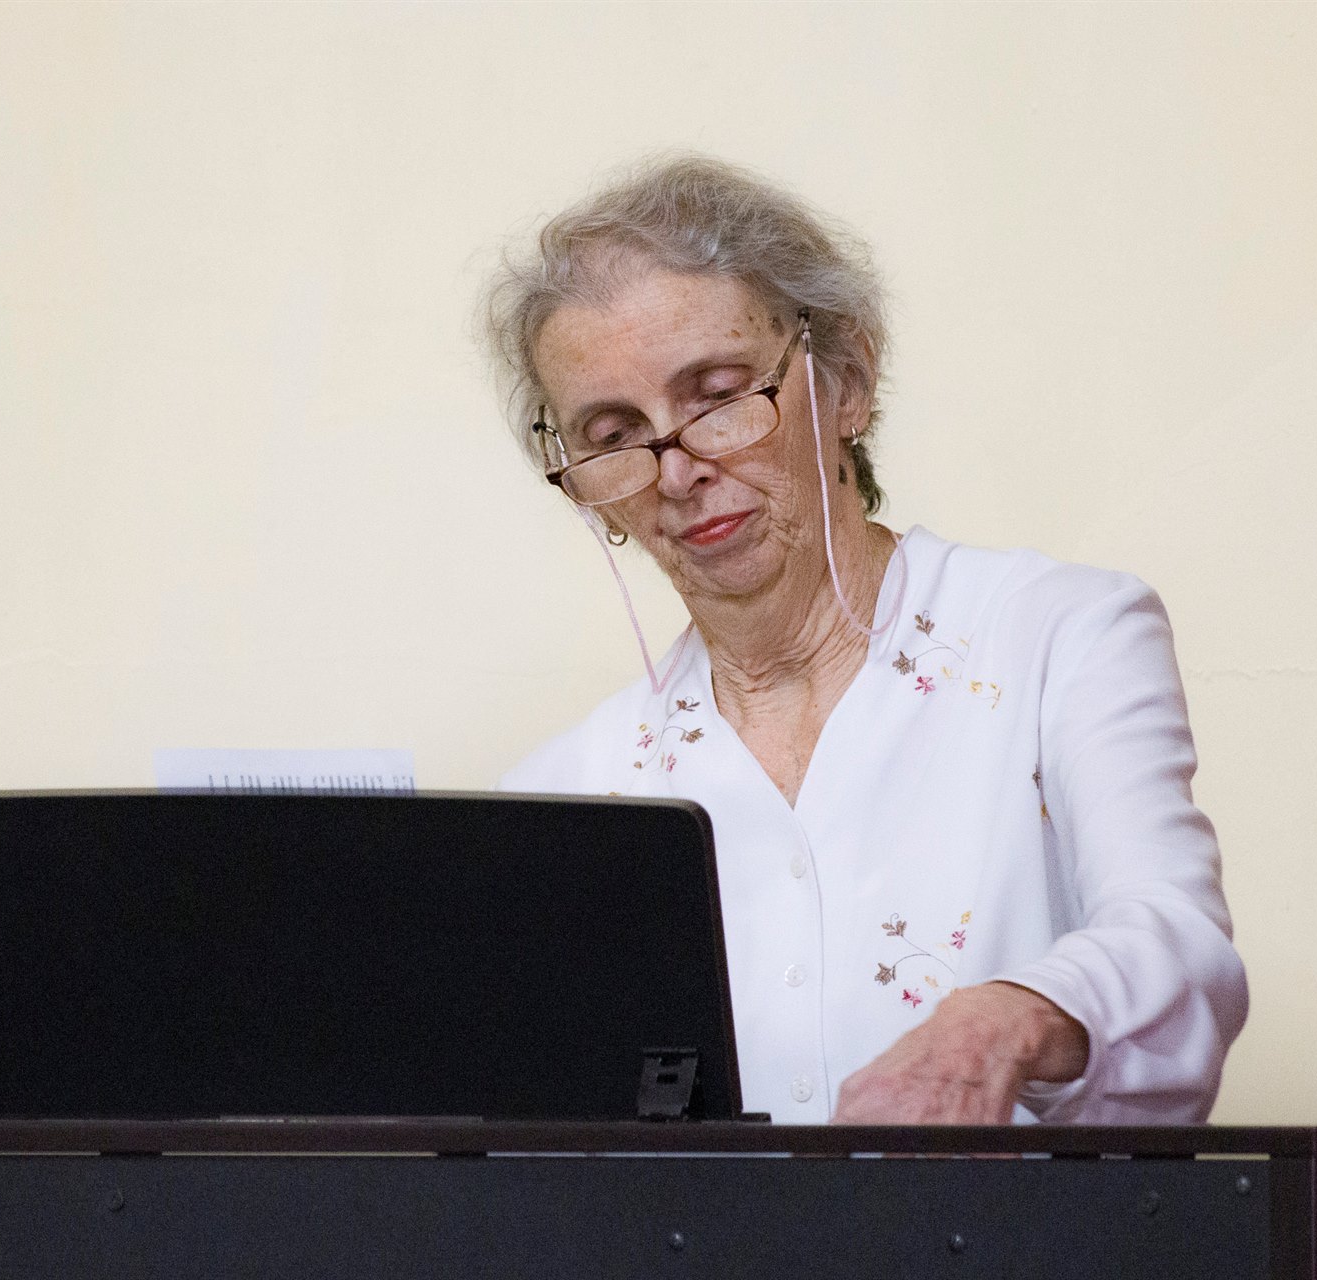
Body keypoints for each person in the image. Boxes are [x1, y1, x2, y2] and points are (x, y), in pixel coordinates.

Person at [483, 155, 1247, 1124]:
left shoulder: (1059, 635)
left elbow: (1178, 946)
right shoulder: (563, 795)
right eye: (613, 433)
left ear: (846, 381)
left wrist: (1001, 1023)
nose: (677, 471)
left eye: (717, 395)